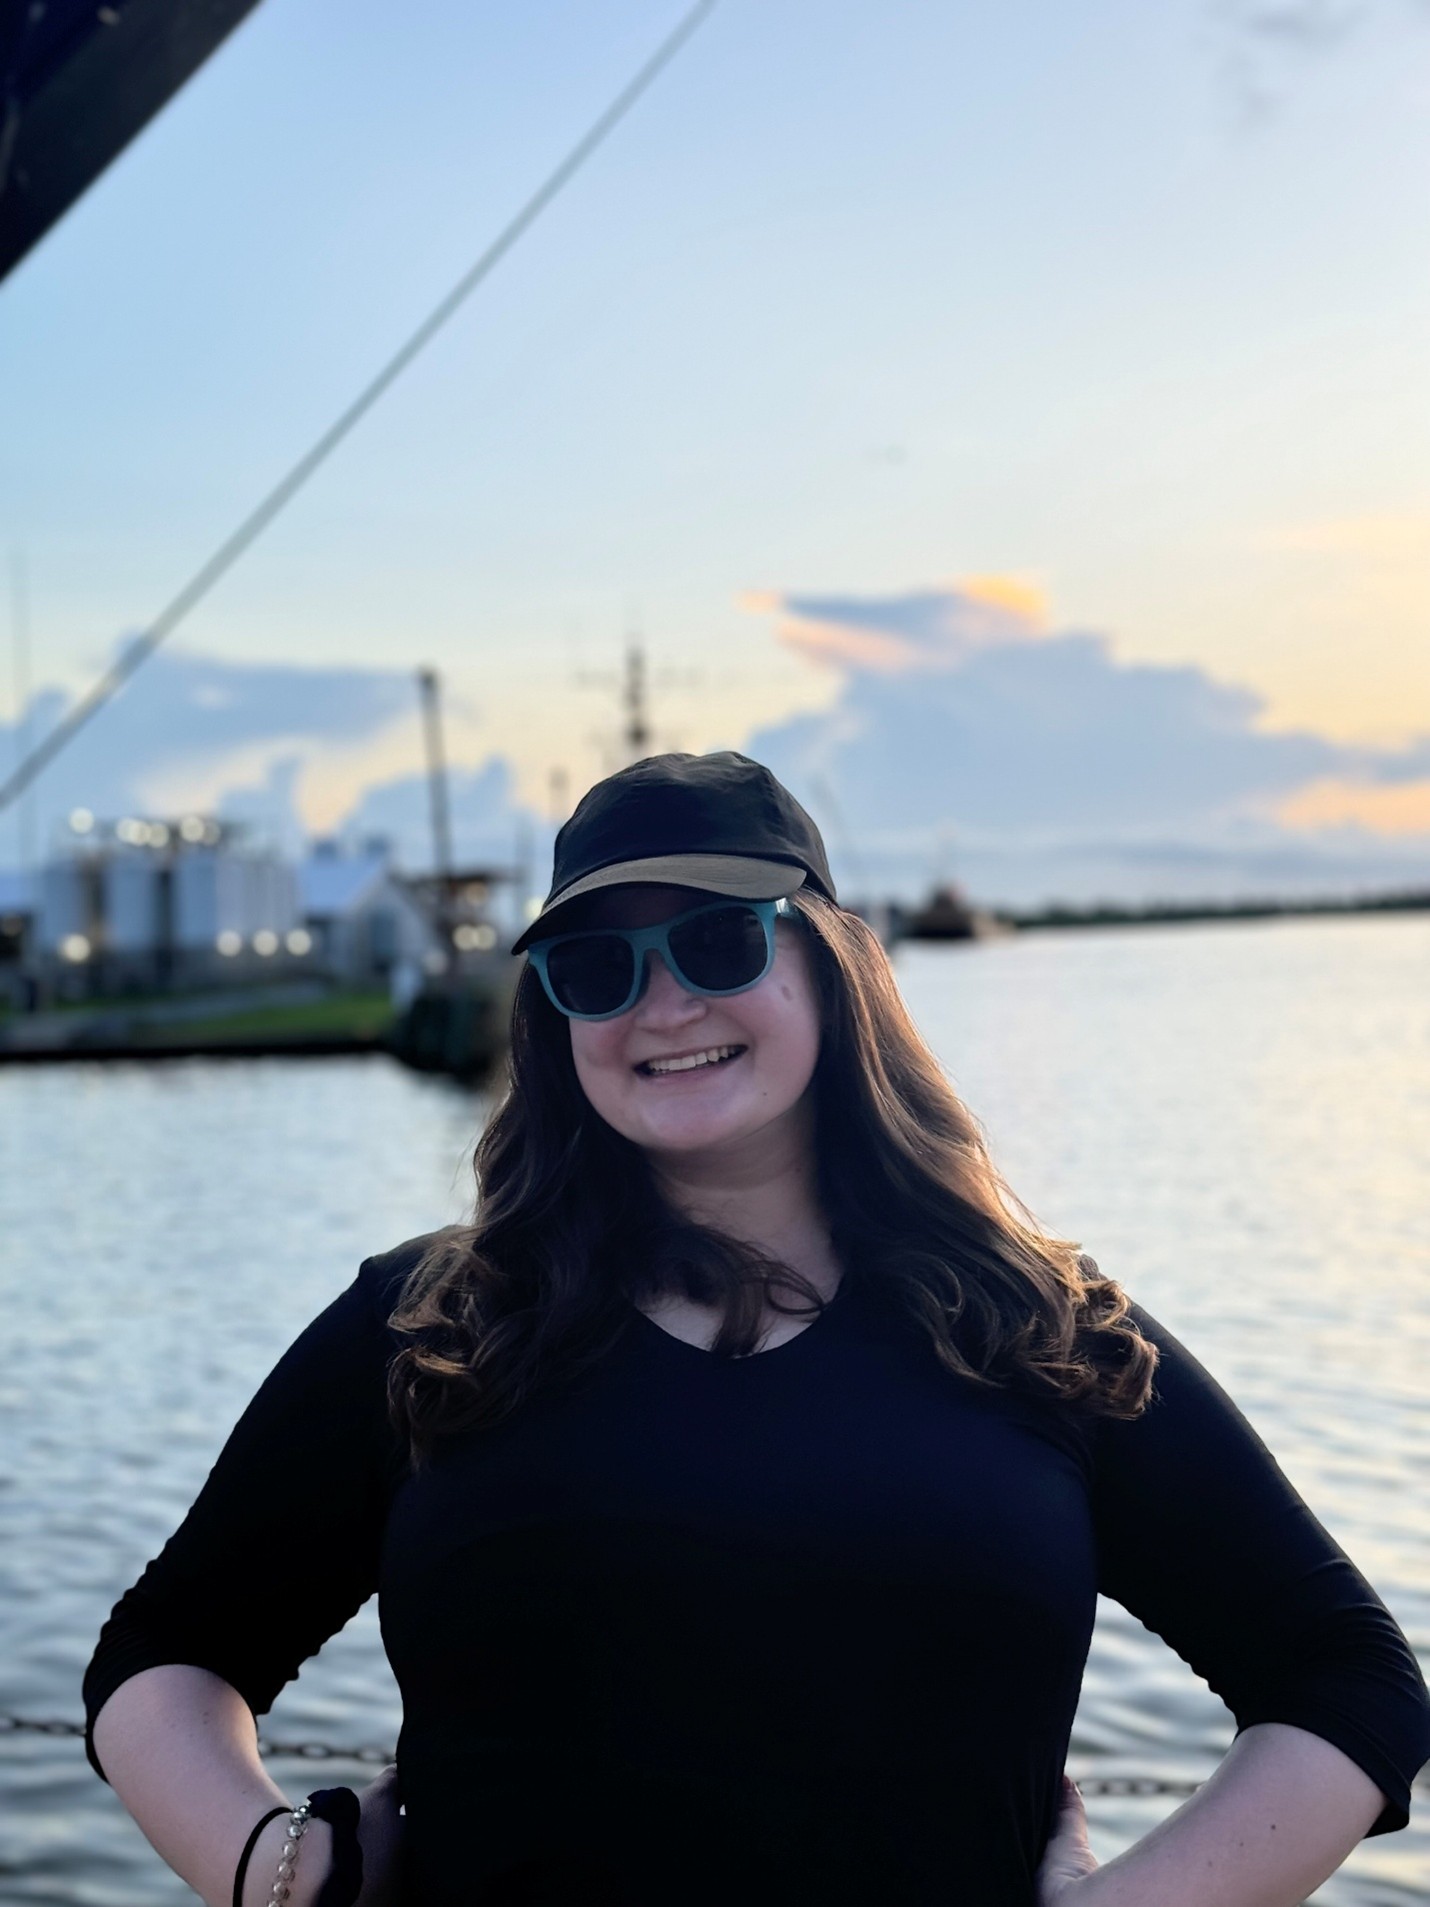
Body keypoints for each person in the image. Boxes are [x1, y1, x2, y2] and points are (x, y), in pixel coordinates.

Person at [84, 750, 1430, 1907]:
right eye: (598, 966)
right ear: (555, 1017)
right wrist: (271, 1867)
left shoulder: (1037, 1329)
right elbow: (167, 1652)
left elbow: (1346, 1682)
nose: (661, 1004)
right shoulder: (430, 1323)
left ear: (833, 972)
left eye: (720, 944)